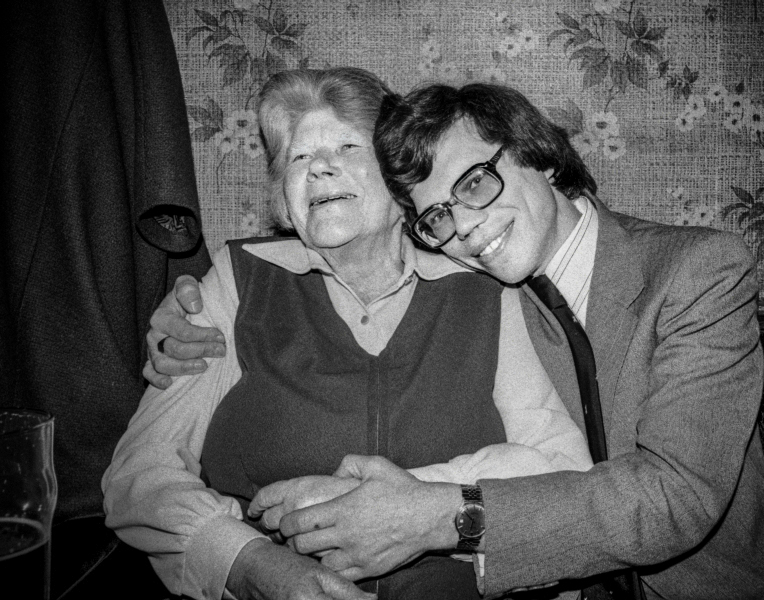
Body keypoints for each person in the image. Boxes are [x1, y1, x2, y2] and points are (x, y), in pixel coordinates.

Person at [150, 81, 764, 599]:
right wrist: (183, 312)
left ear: (542, 158)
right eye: (436, 215)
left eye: (478, 184)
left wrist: (440, 513)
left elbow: (676, 498)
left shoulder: (696, 270)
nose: (465, 224)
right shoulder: (490, 287)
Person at [103, 69, 594, 600]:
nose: (318, 168)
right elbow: (140, 475)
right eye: (296, 157)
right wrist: (246, 564)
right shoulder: (237, 280)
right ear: (282, 197)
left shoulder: (484, 290)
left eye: (345, 145)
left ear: (398, 181)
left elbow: (562, 468)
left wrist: (401, 504)